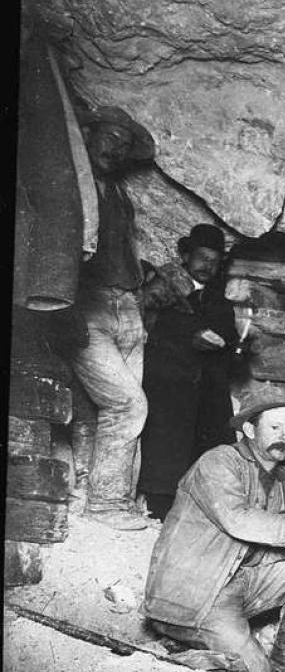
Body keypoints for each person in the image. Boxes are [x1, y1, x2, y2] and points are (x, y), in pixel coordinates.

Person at [142, 388, 285, 672]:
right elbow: (238, 520)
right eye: (274, 427)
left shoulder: (283, 482)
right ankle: (164, 658)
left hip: (239, 584)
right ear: (249, 429)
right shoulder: (218, 462)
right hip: (194, 594)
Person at [72, 106, 156, 530]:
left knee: (108, 407)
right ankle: (105, 505)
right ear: (88, 134)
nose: (117, 150)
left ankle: (103, 492)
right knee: (127, 404)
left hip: (127, 307)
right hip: (88, 306)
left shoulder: (117, 194)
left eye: (124, 146)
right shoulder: (73, 183)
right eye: (110, 139)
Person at [137, 224, 239, 520]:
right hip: (169, 386)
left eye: (215, 261)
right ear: (186, 255)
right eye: (202, 257)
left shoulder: (219, 301)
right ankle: (159, 509)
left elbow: (229, 339)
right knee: (167, 450)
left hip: (207, 391)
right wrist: (190, 339)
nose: (208, 265)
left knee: (209, 451)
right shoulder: (162, 290)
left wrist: (230, 346)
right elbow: (150, 330)